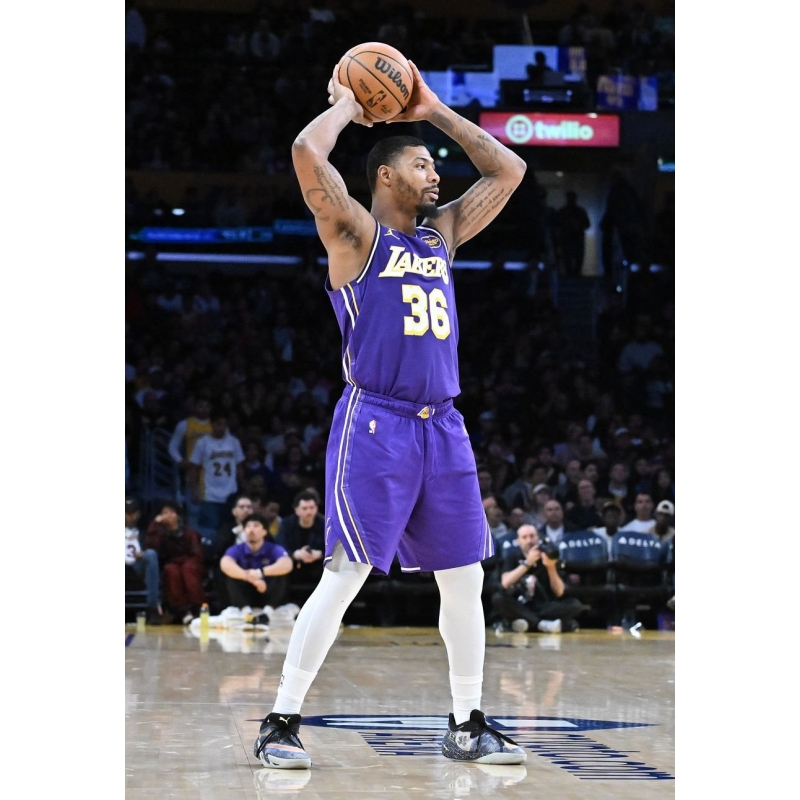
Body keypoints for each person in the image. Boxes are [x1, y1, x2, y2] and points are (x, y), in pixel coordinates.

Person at [251, 58, 529, 770]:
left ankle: (467, 723)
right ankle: (280, 721)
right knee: (345, 573)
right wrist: (349, 102)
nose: (435, 173)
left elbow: (509, 171)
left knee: (464, 577)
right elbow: (307, 152)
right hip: (376, 422)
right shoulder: (354, 235)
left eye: (434, 164)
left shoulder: (440, 236)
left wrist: (430, 109)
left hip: (444, 425)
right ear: (384, 175)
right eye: (420, 163)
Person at [491, 524, 585, 634]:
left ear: (538, 538)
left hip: (544, 606)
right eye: (524, 537)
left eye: (532, 536)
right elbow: (505, 583)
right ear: (518, 541)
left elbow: (559, 592)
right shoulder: (512, 557)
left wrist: (550, 567)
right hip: (520, 605)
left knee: (575, 604)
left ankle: (527, 622)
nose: (529, 540)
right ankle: (543, 624)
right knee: (498, 598)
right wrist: (528, 562)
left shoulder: (548, 556)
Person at [187, 414, 246, 558]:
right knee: (211, 532)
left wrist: (244, 486)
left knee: (230, 530)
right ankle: (211, 561)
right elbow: (194, 467)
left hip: (231, 493)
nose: (222, 427)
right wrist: (194, 488)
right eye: (219, 424)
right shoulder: (202, 443)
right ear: (212, 424)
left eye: (224, 424)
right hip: (209, 494)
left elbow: (239, 466)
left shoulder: (234, 442)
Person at [219, 513, 294, 624]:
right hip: (247, 592)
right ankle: (247, 613)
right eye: (248, 526)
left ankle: (267, 614)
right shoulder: (237, 549)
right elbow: (225, 564)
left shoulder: (274, 548)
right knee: (231, 576)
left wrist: (260, 573)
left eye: (256, 526)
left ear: (265, 531)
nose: (251, 530)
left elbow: (287, 564)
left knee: (281, 575)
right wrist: (251, 578)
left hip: (267, 591)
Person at [144, 500, 207, 624]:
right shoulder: (158, 533)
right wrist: (154, 524)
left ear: (178, 515)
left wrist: (182, 561)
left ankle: (198, 607)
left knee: (188, 568)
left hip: (189, 563)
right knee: (171, 570)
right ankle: (182, 611)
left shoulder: (189, 532)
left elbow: (197, 555)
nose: (168, 515)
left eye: (171, 512)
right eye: (164, 513)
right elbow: (151, 547)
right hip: (170, 564)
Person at [167, 396, 213, 529]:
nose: (203, 409)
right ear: (195, 407)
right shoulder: (185, 424)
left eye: (206, 406)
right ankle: (193, 535)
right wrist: (180, 461)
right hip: (193, 473)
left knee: (209, 509)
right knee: (193, 509)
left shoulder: (215, 425)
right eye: (200, 406)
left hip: (211, 474)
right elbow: (172, 446)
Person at [275, 490, 326, 600]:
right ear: (297, 510)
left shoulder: (324, 523)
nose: (309, 512)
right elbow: (279, 547)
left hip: (318, 565)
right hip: (293, 566)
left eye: (312, 508)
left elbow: (334, 548)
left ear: (316, 508)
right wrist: (295, 554)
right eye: (304, 508)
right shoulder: (287, 524)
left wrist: (320, 554)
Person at [125, 497, 162, 624]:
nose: (130, 516)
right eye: (127, 513)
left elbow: (157, 546)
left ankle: (152, 608)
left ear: (139, 513)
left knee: (151, 554)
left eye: (133, 512)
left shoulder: (145, 530)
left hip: (137, 566)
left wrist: (144, 551)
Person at [554, 190, 591, 277]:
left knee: (575, 259)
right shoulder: (564, 212)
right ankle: (572, 275)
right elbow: (557, 224)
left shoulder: (574, 211)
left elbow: (587, 224)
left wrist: (577, 226)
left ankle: (574, 275)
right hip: (569, 239)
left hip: (574, 238)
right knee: (569, 259)